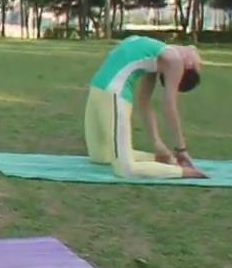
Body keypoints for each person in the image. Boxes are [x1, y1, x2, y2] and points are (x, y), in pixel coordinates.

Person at [84, 35, 206, 179]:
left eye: (200, 65)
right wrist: (157, 142)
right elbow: (144, 103)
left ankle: (185, 172)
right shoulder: (159, 51)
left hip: (113, 92)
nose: (200, 58)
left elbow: (167, 105)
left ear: (189, 64)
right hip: (100, 90)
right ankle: (163, 160)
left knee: (125, 169)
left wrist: (180, 149)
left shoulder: (174, 60)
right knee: (100, 155)